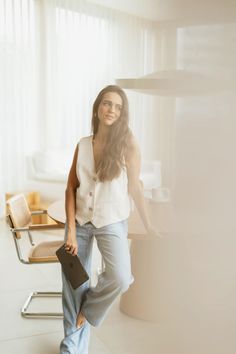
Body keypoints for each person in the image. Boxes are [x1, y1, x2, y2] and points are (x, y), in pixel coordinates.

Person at [60, 85, 160, 354]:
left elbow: (136, 187)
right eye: (107, 104)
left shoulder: (128, 143)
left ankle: (88, 311)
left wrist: (148, 224)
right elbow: (70, 187)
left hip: (112, 220)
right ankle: (71, 349)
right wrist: (70, 230)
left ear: (122, 112)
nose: (111, 110)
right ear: (97, 108)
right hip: (79, 222)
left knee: (121, 277)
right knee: (74, 285)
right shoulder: (82, 145)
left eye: (117, 106)